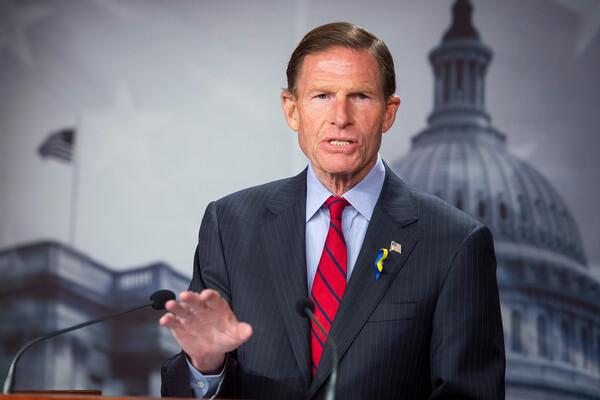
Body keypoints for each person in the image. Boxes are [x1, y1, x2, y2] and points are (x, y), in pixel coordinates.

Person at [160, 22, 505, 399]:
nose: (341, 116)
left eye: (360, 96)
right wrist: (206, 364)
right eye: (322, 95)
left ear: (389, 113)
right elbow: (185, 387)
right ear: (292, 110)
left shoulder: (455, 242)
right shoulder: (229, 226)